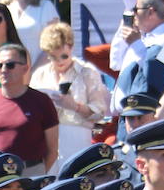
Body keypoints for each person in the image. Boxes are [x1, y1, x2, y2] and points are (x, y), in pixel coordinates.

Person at [0, 43, 59, 175]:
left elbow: (52, 150)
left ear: (25, 69)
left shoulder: (42, 101)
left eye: (10, 65)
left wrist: (37, 172)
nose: (3, 70)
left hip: (30, 172)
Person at [31, 22, 109, 163]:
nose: (59, 61)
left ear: (71, 48)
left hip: (77, 136)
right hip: (46, 137)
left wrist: (75, 106)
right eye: (53, 57)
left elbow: (100, 112)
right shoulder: (40, 75)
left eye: (64, 56)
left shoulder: (87, 72)